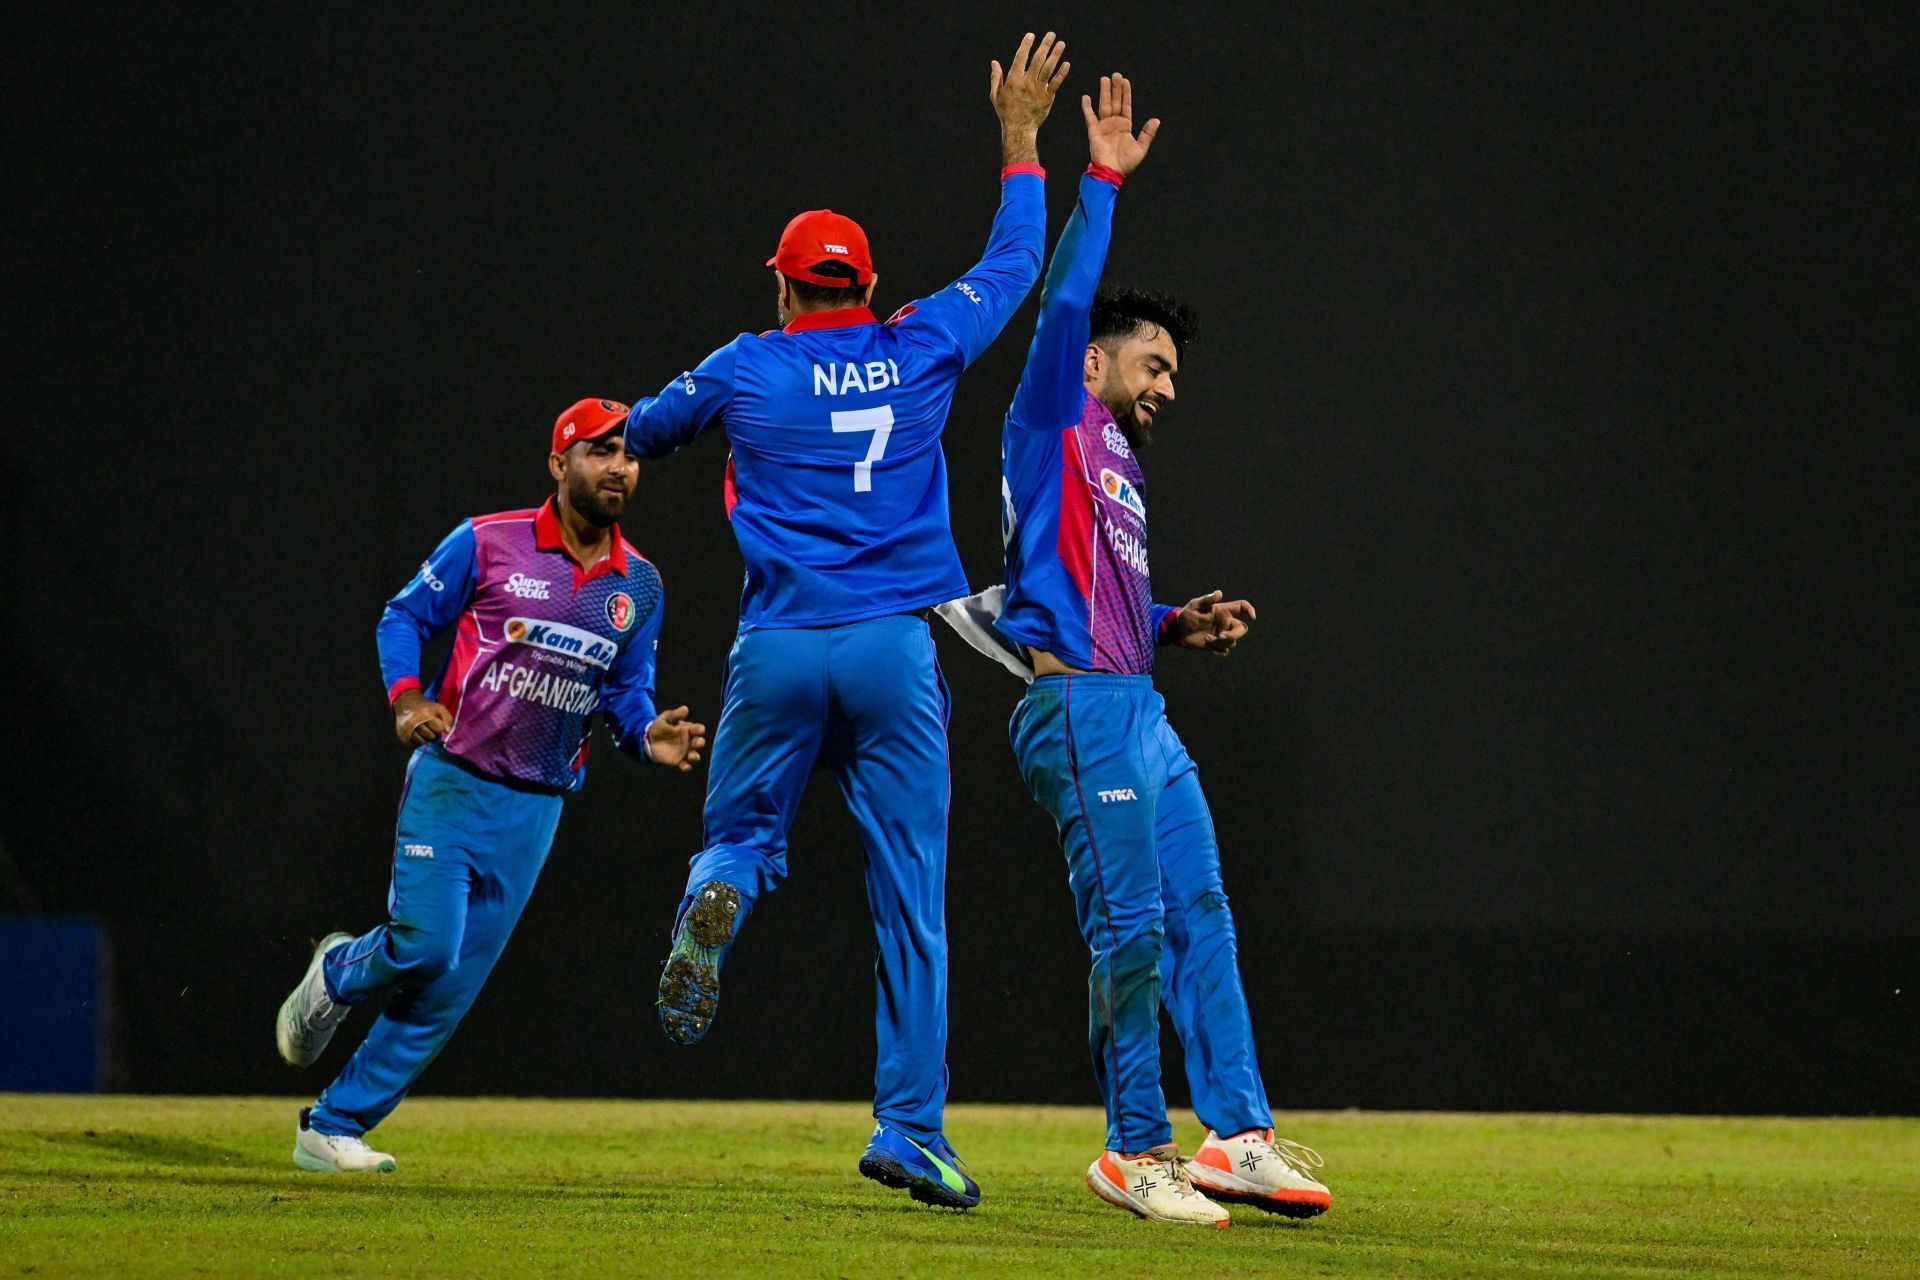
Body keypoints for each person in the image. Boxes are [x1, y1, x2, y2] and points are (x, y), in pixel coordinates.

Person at [620, 32, 1069, 1211]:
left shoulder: (745, 364)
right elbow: (1016, 263)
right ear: (866, 287)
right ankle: (910, 1130)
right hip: (888, 647)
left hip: (774, 647)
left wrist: (612, 435)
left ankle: (716, 890)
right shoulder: (918, 341)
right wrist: (1020, 137)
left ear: (782, 285)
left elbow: (642, 431)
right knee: (910, 894)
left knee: (740, 838)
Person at [944, 73, 1333, 1226]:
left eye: (1172, 370)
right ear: (1100, 360)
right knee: (1129, 929)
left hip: (1140, 702)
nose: (1167, 384)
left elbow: (1091, 597)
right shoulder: (1053, 415)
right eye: (1153, 364)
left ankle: (1239, 1133)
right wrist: (1098, 178)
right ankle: (1131, 1147)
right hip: (1077, 714)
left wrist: (1170, 624)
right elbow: (1063, 298)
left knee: (1200, 908)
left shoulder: (1119, 465)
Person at [273, 399, 707, 1173]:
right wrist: (408, 698)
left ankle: (330, 1126)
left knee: (449, 989)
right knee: (425, 947)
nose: (619, 468)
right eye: (599, 452)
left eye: (630, 455)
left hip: (536, 809)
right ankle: (337, 973)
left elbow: (626, 694)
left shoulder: (638, 585)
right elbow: (403, 616)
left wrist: (648, 737)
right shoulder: (489, 540)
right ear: (559, 464)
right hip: (453, 778)